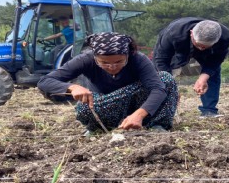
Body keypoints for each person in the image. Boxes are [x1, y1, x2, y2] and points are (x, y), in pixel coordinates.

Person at [37, 32, 179, 134]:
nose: (112, 66)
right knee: (84, 109)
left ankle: (157, 125)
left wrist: (139, 114)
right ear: (95, 57)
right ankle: (99, 127)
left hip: (136, 104)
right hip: (106, 105)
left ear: (127, 55)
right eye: (104, 62)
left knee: (165, 79)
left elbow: (157, 89)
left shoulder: (138, 59)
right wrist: (71, 87)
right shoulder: (85, 59)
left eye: (119, 61)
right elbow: (45, 81)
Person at [153, 18, 229, 118]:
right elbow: (161, 60)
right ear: (191, 33)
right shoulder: (173, 34)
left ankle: (209, 110)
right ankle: (160, 110)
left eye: (204, 46)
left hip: (209, 52)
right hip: (180, 45)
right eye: (199, 45)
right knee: (160, 76)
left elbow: (216, 60)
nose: (201, 48)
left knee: (213, 72)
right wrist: (171, 88)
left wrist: (203, 77)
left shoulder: (225, 37)